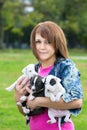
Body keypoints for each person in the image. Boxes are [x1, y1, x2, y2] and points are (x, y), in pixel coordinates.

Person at [14, 21, 83, 130]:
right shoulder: (34, 70)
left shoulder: (65, 67)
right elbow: (27, 112)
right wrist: (18, 98)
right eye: (38, 41)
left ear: (57, 43)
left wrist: (39, 101)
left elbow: (77, 102)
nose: (42, 47)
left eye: (47, 42)